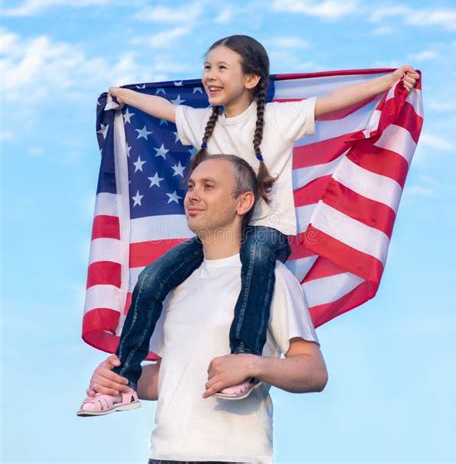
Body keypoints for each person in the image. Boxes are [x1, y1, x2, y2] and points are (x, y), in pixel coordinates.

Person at [82, 34, 419, 404]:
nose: (210, 75)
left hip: (267, 229)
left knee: (256, 257)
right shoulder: (204, 122)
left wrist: (388, 82)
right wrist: (124, 95)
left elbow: (331, 103)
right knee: (152, 278)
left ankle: (242, 356)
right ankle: (124, 379)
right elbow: (164, 109)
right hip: (221, 235)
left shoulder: (279, 118)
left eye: (222, 68)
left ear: (252, 79)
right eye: (207, 66)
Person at [79, 155, 329, 464]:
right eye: (191, 186)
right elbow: (170, 375)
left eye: (208, 186)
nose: (193, 195)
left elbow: (314, 372)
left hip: (235, 458)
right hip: (164, 456)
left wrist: (253, 365)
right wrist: (114, 379)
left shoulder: (272, 277)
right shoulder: (175, 284)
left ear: (243, 202)